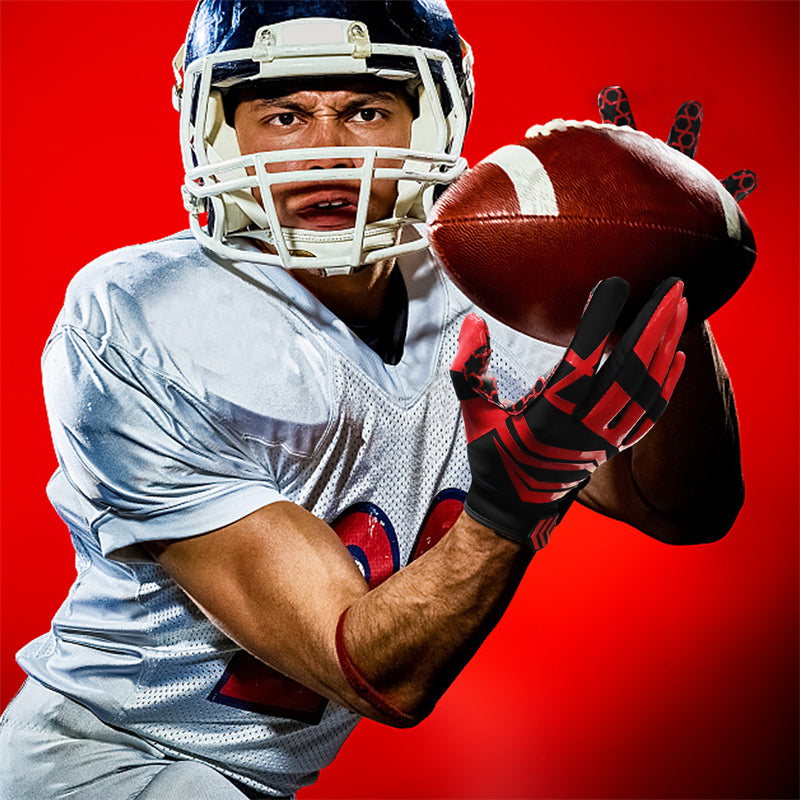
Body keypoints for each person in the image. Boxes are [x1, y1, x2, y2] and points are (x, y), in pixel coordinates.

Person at [0, 2, 746, 798]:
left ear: (435, 116)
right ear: (216, 129)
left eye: (365, 110)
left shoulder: (498, 290)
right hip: (104, 761)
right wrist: (513, 500)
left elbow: (683, 509)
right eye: (283, 114)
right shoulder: (145, 316)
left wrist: (670, 284)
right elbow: (371, 670)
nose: (325, 152)